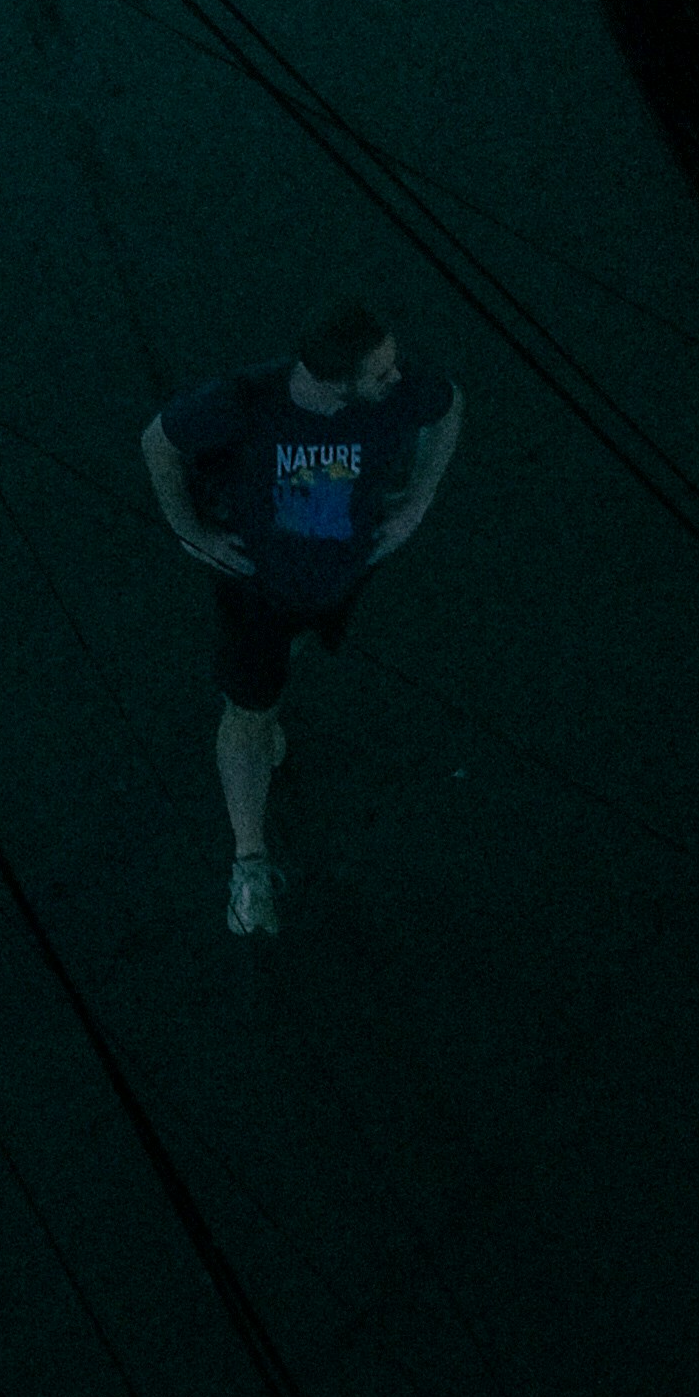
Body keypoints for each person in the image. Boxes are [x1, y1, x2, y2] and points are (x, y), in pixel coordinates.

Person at [141, 301, 461, 940]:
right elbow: (158, 442)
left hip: (341, 576)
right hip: (257, 592)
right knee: (248, 714)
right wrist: (189, 530)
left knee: (281, 677)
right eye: (380, 373)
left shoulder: (391, 393)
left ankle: (269, 708)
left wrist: (419, 499)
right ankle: (249, 864)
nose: (396, 380)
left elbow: (449, 406)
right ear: (328, 381)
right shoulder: (243, 403)